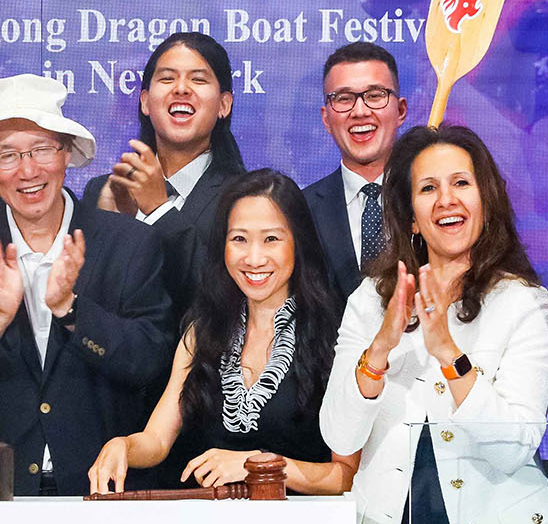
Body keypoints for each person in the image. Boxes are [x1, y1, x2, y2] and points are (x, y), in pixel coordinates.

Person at [0, 75, 171, 495]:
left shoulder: (129, 243)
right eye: (7, 154)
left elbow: (151, 361)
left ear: (67, 152)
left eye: (41, 149)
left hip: (105, 493)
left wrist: (73, 311)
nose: (28, 170)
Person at [320, 125, 548, 524]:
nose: (446, 199)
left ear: (486, 202)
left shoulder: (523, 302)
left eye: (461, 183)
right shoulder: (371, 300)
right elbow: (340, 438)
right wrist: (379, 349)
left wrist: (449, 354)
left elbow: (514, 448)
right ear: (412, 217)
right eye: (428, 188)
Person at [89, 171, 353, 497]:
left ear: (299, 244)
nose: (254, 259)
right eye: (239, 239)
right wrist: (124, 446)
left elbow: (345, 476)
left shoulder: (337, 335)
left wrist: (260, 466)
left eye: (271, 239)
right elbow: (156, 440)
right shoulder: (204, 330)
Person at [83, 32, 246, 308]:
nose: (181, 89)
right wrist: (109, 228)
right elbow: (85, 300)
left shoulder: (247, 198)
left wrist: (159, 210)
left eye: (198, 79)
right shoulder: (101, 191)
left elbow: (228, 299)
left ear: (224, 105)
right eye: (167, 78)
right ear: (145, 101)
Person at [299, 44, 409, 299]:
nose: (360, 111)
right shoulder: (300, 212)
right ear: (326, 119)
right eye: (344, 98)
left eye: (375, 95)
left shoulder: (431, 200)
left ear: (401, 110)